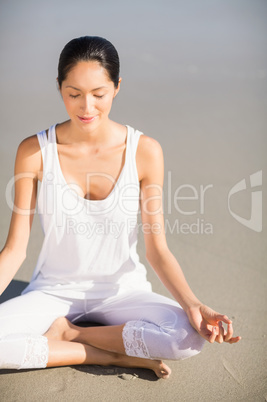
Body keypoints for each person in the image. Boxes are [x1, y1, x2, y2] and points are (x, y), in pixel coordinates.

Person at [0, 36, 240, 378]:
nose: (87, 107)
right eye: (74, 94)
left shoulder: (145, 151)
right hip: (53, 291)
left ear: (116, 87)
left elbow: (157, 251)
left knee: (188, 338)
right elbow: (13, 250)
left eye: (99, 94)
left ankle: (71, 335)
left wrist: (194, 305)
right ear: (59, 87)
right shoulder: (34, 152)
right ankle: (103, 354)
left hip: (122, 291)